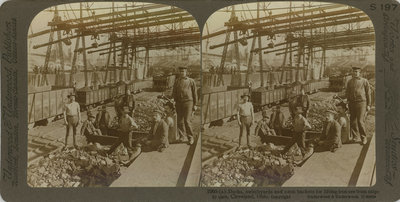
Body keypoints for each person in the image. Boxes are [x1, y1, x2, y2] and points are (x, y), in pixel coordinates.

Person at [171, 66, 197, 145]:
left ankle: (190, 137)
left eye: (183, 71)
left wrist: (195, 104)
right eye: (181, 71)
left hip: (188, 102)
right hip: (179, 103)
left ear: (186, 72)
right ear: (179, 72)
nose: (182, 73)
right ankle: (182, 137)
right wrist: (173, 99)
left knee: (187, 120)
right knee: (179, 121)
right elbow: (174, 92)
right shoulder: (177, 81)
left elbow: (195, 93)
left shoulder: (191, 81)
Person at [346, 66, 371, 145]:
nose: (355, 73)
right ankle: (355, 137)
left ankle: (363, 138)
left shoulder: (364, 81)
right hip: (352, 103)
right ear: (352, 72)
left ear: (360, 73)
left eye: (357, 71)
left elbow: (368, 93)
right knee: (353, 121)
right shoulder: (350, 82)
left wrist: (369, 104)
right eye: (354, 71)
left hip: (361, 103)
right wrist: (347, 101)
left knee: (360, 121)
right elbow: (348, 93)